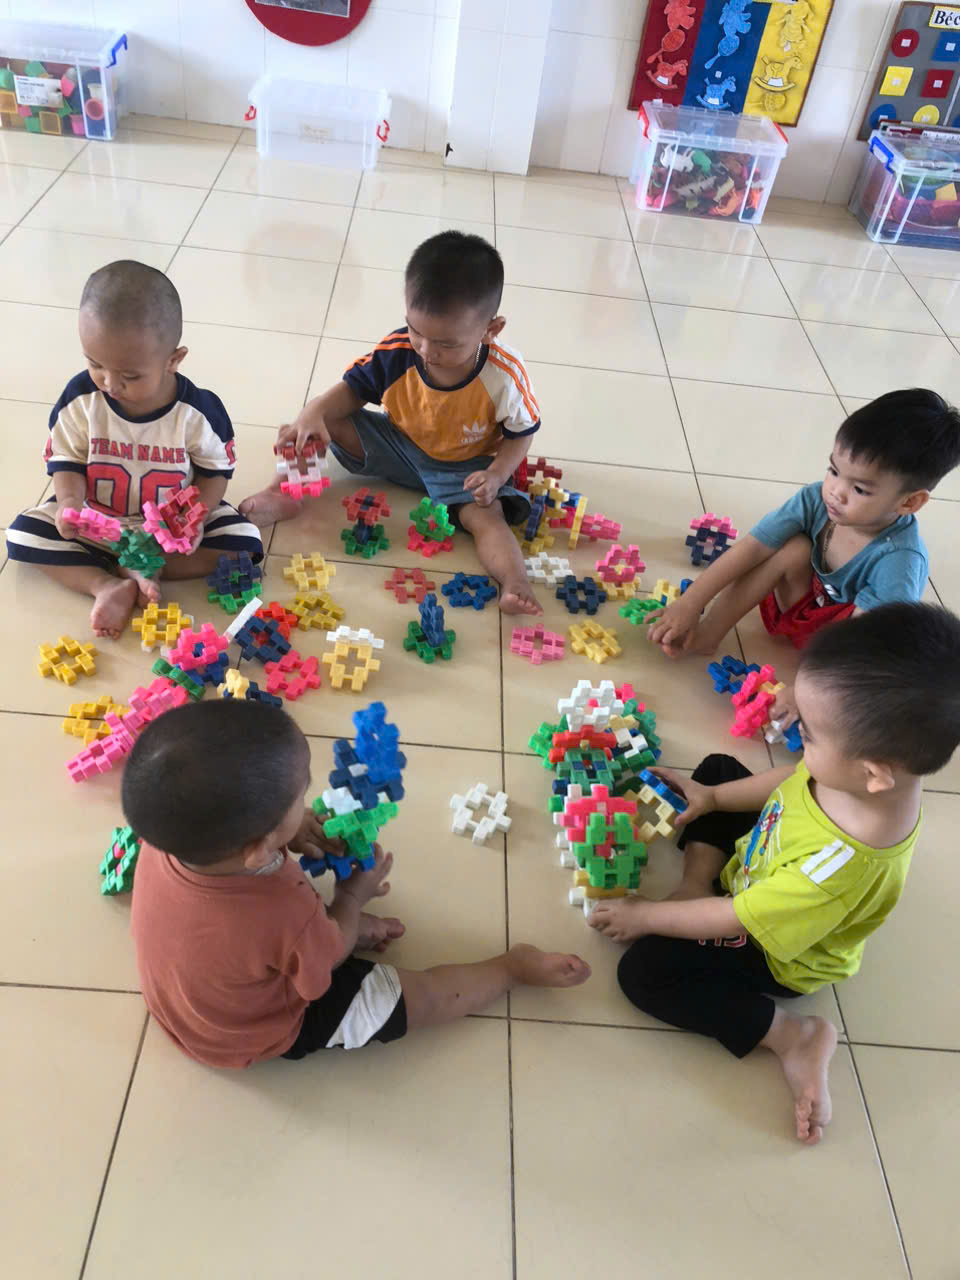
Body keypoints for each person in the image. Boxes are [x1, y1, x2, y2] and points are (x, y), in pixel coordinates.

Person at [590, 602, 960, 1146]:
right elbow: (796, 779)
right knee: (717, 772)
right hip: (764, 863)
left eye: (808, 732)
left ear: (871, 773)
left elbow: (735, 916)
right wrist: (714, 797)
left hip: (773, 949)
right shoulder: (871, 772)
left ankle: (791, 1035)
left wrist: (646, 916)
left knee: (644, 973)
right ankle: (695, 882)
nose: (793, 733)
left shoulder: (836, 868)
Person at [124, 700, 590, 1067]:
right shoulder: (283, 913)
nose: (308, 804)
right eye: (299, 799)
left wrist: (287, 830)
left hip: (187, 1004)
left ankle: (339, 930)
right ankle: (512, 968)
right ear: (259, 848)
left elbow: (249, 905)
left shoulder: (169, 838)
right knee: (420, 998)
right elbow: (322, 966)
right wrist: (350, 900)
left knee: (305, 940)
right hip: (251, 1032)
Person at [239, 231, 543, 615]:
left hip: (465, 471)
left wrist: (497, 475)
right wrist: (312, 412)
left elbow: (521, 434)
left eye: (447, 344)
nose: (427, 350)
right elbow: (353, 390)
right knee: (314, 424)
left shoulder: (504, 375)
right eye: (416, 331)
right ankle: (284, 492)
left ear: (490, 329)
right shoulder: (399, 350)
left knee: (488, 519)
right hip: (399, 445)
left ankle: (515, 582)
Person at [648, 388, 960, 724]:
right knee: (794, 547)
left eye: (859, 489)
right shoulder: (815, 500)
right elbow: (753, 547)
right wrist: (690, 602)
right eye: (833, 471)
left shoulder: (899, 560)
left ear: (909, 502)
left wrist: (805, 690)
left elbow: (863, 645)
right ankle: (709, 633)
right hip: (802, 607)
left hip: (847, 643)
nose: (835, 492)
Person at [5, 260, 262, 639]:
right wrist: (70, 503)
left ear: (173, 360)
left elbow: (214, 474)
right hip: (98, 520)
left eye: (130, 375)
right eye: (95, 364)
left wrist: (196, 516)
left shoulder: (196, 413)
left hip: (168, 528)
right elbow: (67, 461)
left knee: (245, 541)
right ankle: (106, 584)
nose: (110, 383)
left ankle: (141, 566)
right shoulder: (80, 401)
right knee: (23, 534)